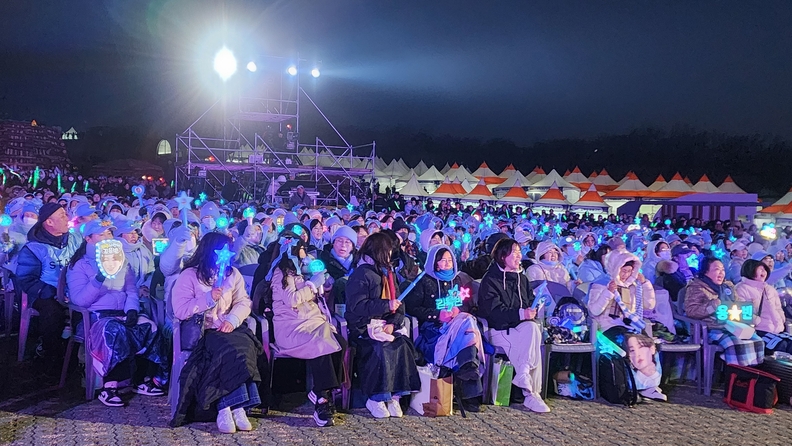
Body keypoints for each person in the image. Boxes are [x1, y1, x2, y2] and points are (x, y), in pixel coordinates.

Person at [67, 220, 168, 406]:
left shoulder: (121, 261)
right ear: (88, 239)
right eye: (102, 234)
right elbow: (79, 300)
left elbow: (131, 290)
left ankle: (142, 379)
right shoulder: (80, 265)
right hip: (96, 315)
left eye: (109, 234)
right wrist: (99, 278)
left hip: (121, 312)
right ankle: (109, 386)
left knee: (149, 327)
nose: (107, 238)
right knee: (114, 331)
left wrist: (132, 309)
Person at [171, 233, 261, 433]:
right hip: (204, 331)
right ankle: (225, 407)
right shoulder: (189, 276)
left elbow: (243, 301)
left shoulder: (233, 274)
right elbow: (181, 310)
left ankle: (239, 407)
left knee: (246, 347)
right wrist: (208, 298)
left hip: (228, 327)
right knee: (226, 351)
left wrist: (232, 320)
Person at [267, 235, 344, 427]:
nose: (305, 253)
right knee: (322, 343)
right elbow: (292, 300)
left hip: (312, 322)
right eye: (302, 249)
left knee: (339, 342)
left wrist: (322, 282)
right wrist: (311, 285)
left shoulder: (304, 269)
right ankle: (322, 401)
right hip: (291, 326)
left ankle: (321, 391)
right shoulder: (282, 273)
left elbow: (319, 294)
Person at [344, 232, 420, 419]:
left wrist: (393, 323)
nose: (390, 254)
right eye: (388, 250)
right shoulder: (361, 274)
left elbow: (400, 305)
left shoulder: (389, 274)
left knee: (402, 345)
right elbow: (357, 306)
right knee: (381, 348)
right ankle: (376, 397)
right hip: (364, 326)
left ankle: (395, 395)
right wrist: (386, 305)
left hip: (386, 325)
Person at [404, 244, 484, 412]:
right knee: (468, 332)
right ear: (435, 262)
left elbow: (464, 304)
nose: (447, 264)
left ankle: (467, 370)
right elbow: (413, 308)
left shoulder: (457, 280)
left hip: (457, 324)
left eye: (450, 260)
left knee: (467, 321)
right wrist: (437, 314)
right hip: (433, 328)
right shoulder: (424, 281)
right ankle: (469, 386)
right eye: (443, 260)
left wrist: (458, 310)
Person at [477, 238, 550, 413]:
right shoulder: (490, 280)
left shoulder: (522, 279)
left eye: (519, 252)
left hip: (520, 328)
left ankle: (525, 379)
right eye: (514, 252)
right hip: (497, 329)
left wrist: (534, 307)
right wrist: (521, 314)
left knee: (533, 329)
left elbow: (528, 301)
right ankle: (531, 394)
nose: (519, 256)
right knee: (527, 342)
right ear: (503, 256)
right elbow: (493, 312)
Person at [16, 203, 81, 367]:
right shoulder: (34, 248)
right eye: (62, 215)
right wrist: (52, 292)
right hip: (45, 293)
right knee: (53, 312)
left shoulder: (76, 240)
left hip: (74, 289)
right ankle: (50, 356)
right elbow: (27, 279)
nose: (67, 218)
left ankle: (79, 354)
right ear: (49, 222)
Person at [684, 257, 764, 367]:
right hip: (711, 328)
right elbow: (691, 311)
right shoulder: (697, 287)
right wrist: (712, 306)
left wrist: (751, 316)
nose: (721, 273)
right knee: (735, 344)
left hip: (733, 325)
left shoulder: (728, 286)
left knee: (757, 340)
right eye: (717, 269)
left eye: (723, 269)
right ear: (706, 271)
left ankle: (752, 372)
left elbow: (738, 304)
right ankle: (733, 373)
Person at [588, 250, 655, 339]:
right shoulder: (601, 284)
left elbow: (649, 305)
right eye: (623, 270)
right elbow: (594, 311)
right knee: (630, 341)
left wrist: (645, 284)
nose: (626, 274)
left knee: (647, 343)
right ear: (616, 269)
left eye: (629, 271)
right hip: (607, 327)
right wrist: (608, 292)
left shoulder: (633, 287)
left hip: (630, 325)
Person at [736, 259, 792, 355]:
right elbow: (742, 313)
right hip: (758, 331)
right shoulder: (741, 289)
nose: (764, 272)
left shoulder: (770, 289)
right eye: (761, 269)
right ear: (750, 270)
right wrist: (757, 321)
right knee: (782, 346)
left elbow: (778, 308)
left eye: (765, 270)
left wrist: (781, 319)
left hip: (777, 330)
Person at [319, 226, 357, 312]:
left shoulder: (359, 262)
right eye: (339, 240)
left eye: (347, 242)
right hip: (329, 309)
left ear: (353, 246)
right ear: (333, 243)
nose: (343, 245)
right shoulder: (322, 260)